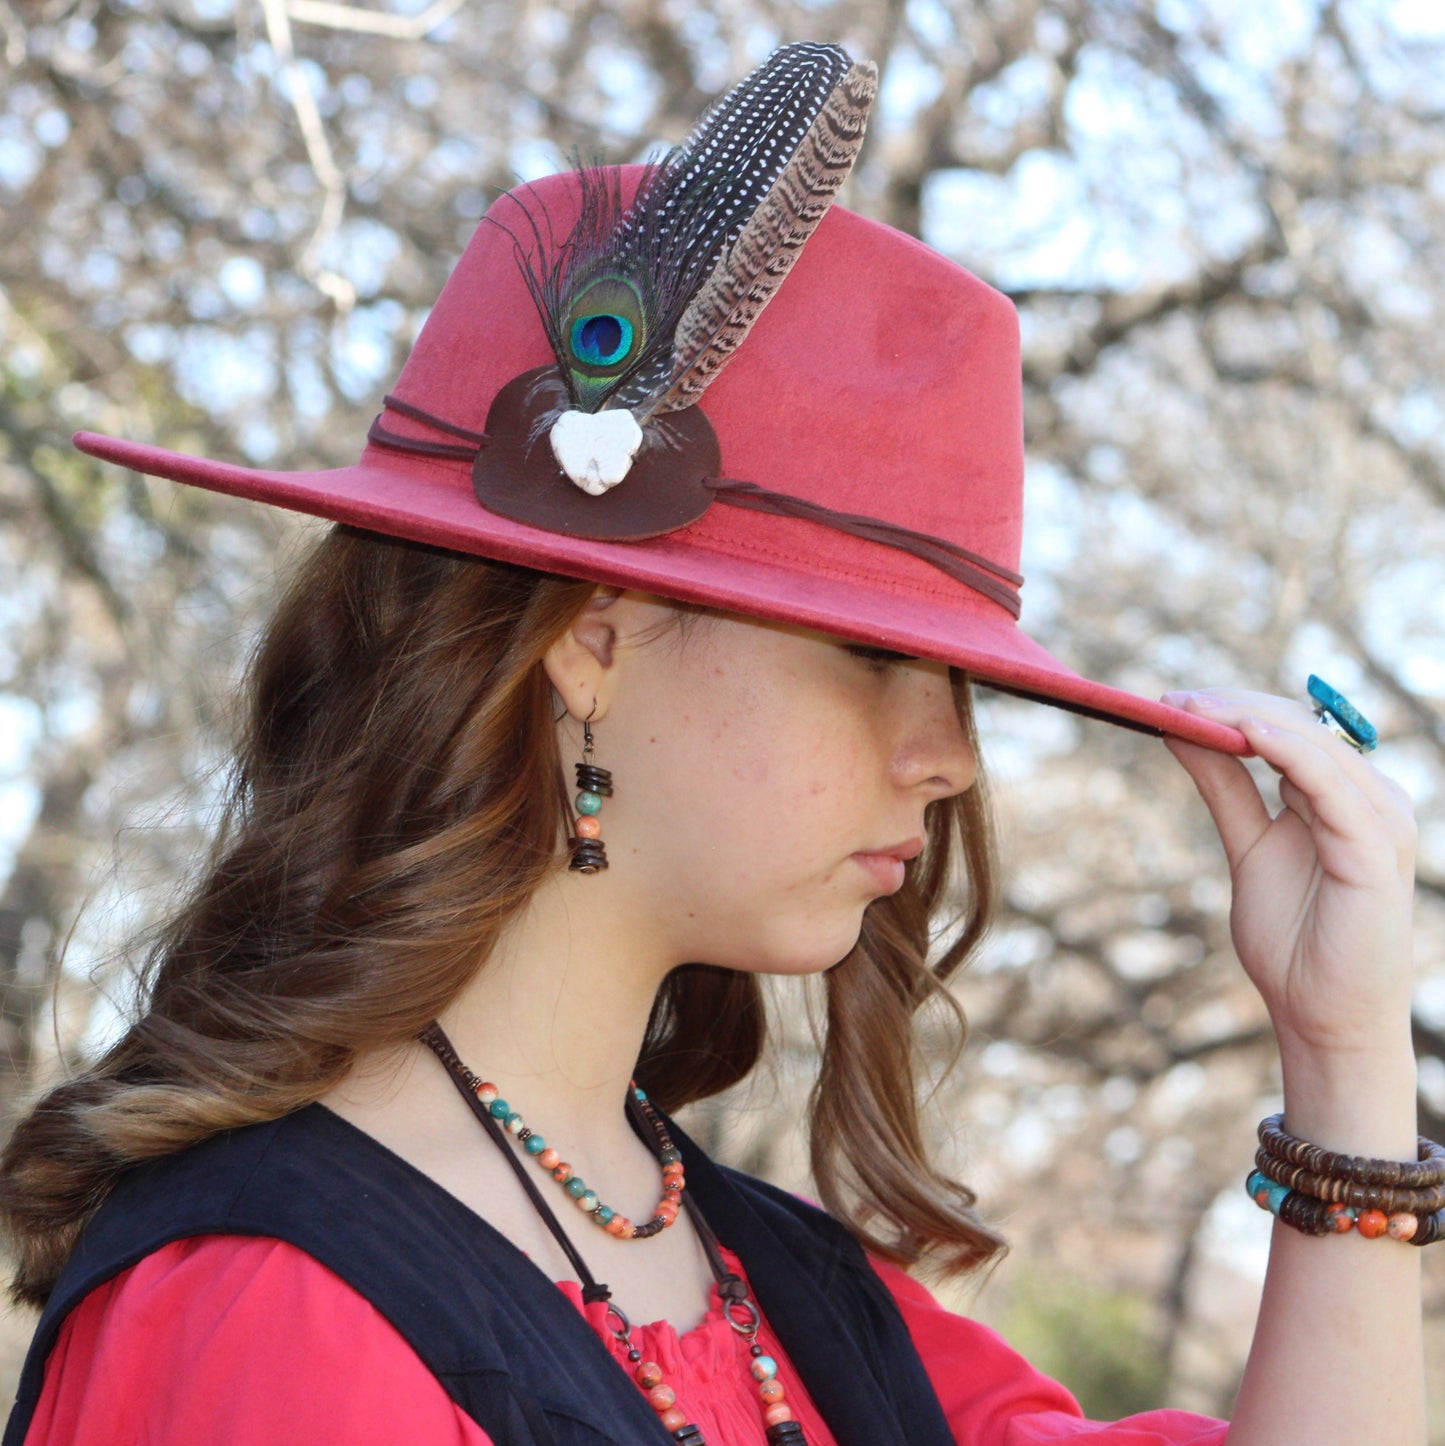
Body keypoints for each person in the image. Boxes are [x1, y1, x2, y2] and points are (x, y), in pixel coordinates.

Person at [0, 41, 1430, 1446]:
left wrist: (1342, 1046)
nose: (950, 757)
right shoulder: (274, 1316)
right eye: (876, 655)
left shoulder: (798, 1303)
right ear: (592, 640)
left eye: (960, 682)